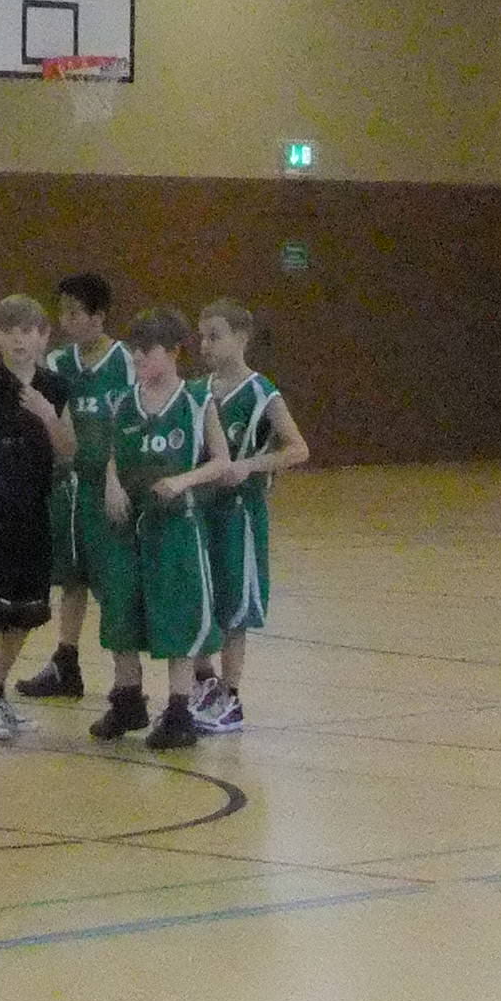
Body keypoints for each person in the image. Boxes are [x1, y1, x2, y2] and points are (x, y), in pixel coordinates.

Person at [93, 307, 232, 750]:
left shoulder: (196, 400)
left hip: (175, 526)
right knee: (121, 612)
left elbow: (222, 462)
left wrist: (183, 480)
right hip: (127, 526)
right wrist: (112, 483)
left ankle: (178, 712)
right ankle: (127, 700)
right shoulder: (124, 402)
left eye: (146, 351)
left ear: (173, 352)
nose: (137, 358)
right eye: (133, 351)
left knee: (178, 614)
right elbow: (113, 454)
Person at [188, 298, 309, 734]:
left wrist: (250, 466)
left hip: (240, 512)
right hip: (201, 510)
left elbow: (298, 449)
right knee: (200, 599)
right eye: (202, 337)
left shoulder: (261, 392)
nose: (205, 345)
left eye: (215, 336)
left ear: (242, 338)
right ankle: (204, 682)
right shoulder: (198, 391)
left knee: (235, 605)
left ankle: (232, 696)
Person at [16, 272, 132, 701]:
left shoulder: (125, 362)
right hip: (68, 486)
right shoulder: (59, 363)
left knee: (113, 582)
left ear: (99, 316)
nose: (66, 321)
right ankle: (66, 662)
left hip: (110, 487)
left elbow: (133, 423)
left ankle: (128, 682)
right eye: (62, 313)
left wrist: (117, 479)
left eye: (75, 313)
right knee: (71, 578)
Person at [0, 294, 75, 742]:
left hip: (35, 510)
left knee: (26, 613)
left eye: (28, 331)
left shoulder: (55, 387)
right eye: (9, 331)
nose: (18, 340)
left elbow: (68, 451)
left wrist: (48, 416)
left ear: (44, 336)